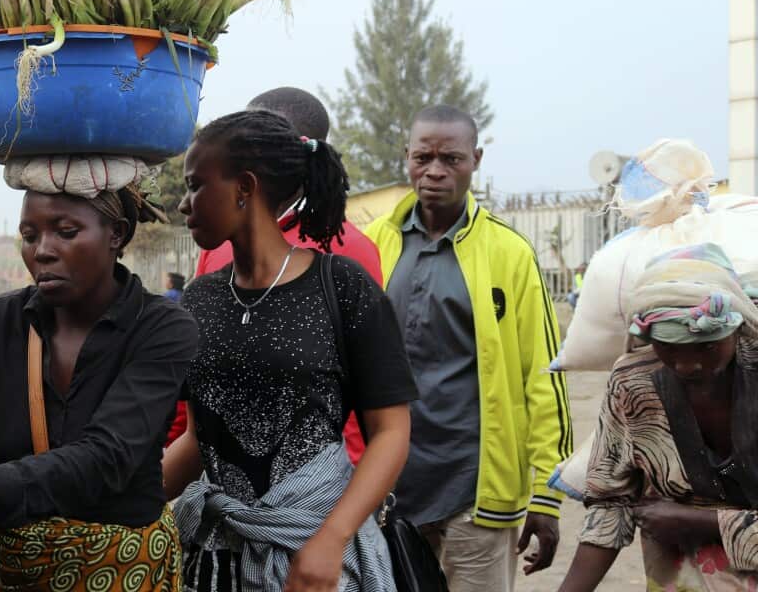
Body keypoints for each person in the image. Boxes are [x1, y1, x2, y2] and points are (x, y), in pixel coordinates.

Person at [0, 184, 197, 591]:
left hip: (124, 574)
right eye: (29, 236)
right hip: (17, 576)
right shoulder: (0, 321)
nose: (42, 250)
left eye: (65, 231)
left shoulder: (162, 328)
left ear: (116, 233)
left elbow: (108, 456)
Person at [166, 110, 416, 591]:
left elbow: (391, 432)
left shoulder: (341, 288)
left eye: (196, 185)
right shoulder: (200, 299)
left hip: (316, 557)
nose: (184, 204)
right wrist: (123, 504)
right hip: (215, 557)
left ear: (244, 187)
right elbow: (200, 438)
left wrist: (333, 537)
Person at [364, 104, 572, 589]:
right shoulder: (372, 245)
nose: (435, 171)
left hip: (474, 491)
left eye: (451, 159)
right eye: (423, 157)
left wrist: (546, 495)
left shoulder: (509, 254)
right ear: (407, 158)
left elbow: (544, 374)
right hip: (385, 488)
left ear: (475, 160)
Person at [184, 87, 382, 463]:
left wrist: (347, 498)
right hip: (224, 484)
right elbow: (196, 380)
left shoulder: (348, 251)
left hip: (325, 493)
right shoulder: (217, 241)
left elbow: (369, 390)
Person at [559, 243, 758, 591]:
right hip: (681, 577)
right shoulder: (633, 381)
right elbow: (611, 499)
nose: (687, 365)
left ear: (737, 328)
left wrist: (704, 523)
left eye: (707, 347)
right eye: (668, 347)